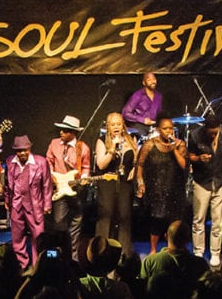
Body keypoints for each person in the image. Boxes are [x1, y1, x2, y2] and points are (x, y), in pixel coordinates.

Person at [136, 115, 188, 255]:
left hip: (174, 187)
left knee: (174, 220)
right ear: (159, 130)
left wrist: (174, 148)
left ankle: (174, 248)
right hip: (156, 188)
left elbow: (183, 165)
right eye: (165, 128)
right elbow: (140, 165)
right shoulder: (150, 144)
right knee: (156, 220)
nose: (168, 131)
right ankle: (153, 250)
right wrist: (140, 183)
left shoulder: (180, 145)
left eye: (170, 128)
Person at [186, 115, 222, 267]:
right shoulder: (195, 135)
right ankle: (198, 251)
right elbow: (189, 156)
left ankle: (215, 253)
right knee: (198, 219)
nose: (213, 135)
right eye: (210, 133)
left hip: (220, 181)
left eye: (215, 132)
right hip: (202, 182)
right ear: (205, 128)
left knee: (218, 221)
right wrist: (199, 158)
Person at [46, 115, 91, 261]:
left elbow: (86, 167)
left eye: (65, 130)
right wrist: (52, 176)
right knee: (59, 222)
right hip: (59, 190)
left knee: (76, 222)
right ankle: (59, 254)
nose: (61, 132)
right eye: (61, 129)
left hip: (76, 190)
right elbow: (48, 162)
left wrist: (84, 177)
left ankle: (74, 258)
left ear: (73, 132)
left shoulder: (83, 148)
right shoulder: (54, 144)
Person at [5, 135, 53, 270]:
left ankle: (38, 265)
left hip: (34, 205)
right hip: (16, 204)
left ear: (29, 148)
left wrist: (47, 204)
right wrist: (7, 200)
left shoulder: (40, 162)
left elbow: (47, 184)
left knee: (38, 236)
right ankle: (22, 265)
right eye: (19, 151)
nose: (22, 153)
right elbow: (8, 184)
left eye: (24, 150)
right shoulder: (10, 162)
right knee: (17, 238)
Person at [94, 112, 138, 255]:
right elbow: (101, 164)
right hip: (108, 182)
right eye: (113, 124)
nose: (116, 127)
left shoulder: (131, 139)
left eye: (118, 124)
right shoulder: (102, 141)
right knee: (106, 216)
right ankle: (101, 251)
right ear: (108, 126)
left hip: (125, 183)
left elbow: (136, 160)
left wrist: (135, 170)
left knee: (124, 217)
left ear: (123, 125)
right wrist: (112, 148)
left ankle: (124, 253)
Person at [122, 72, 163, 137]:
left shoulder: (158, 96)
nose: (152, 82)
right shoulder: (137, 95)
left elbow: (159, 113)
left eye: (154, 79)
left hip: (154, 127)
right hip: (139, 126)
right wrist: (143, 120)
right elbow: (125, 113)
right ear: (144, 82)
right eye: (149, 80)